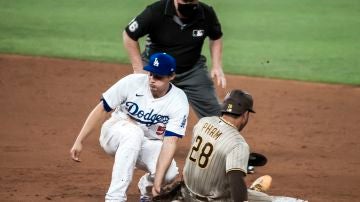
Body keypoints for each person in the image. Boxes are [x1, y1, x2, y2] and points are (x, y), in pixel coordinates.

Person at [69, 52, 189, 202]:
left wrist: (157, 183)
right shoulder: (132, 83)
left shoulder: (178, 100)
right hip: (115, 132)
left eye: (158, 77)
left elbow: (170, 142)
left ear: (171, 76)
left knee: (169, 173)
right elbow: (101, 109)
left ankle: (145, 189)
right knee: (133, 133)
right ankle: (115, 198)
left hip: (147, 143)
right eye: (150, 74)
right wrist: (79, 140)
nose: (152, 80)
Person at [180, 89, 308, 202]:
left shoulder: (203, 122)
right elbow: (236, 181)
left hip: (186, 194)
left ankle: (253, 192)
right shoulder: (238, 144)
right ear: (246, 114)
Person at [123, 0, 226, 118]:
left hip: (192, 71)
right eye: (184, 1)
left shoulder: (206, 13)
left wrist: (217, 65)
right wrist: (138, 69)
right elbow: (129, 35)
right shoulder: (155, 11)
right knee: (140, 110)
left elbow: (216, 37)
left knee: (215, 115)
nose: (187, 4)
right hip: (156, 70)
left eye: (191, 1)